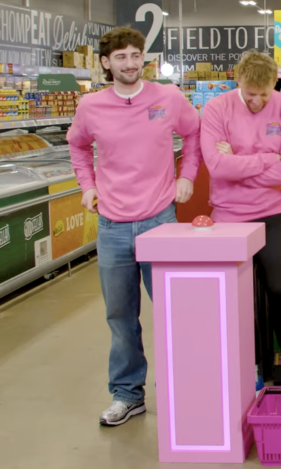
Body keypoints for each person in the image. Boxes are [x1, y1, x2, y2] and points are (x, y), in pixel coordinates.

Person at [67, 26, 201, 427]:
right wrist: (88, 186)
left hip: (160, 221)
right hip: (111, 225)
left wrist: (187, 175)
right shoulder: (90, 107)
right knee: (121, 316)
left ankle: (189, 389)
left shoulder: (168, 98)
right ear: (106, 63)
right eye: (121, 56)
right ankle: (127, 395)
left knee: (175, 312)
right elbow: (76, 146)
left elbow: (194, 134)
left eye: (136, 55)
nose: (130, 63)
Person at [199, 50, 281, 387]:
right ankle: (247, 365)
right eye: (250, 94)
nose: (256, 101)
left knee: (280, 288)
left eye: (264, 94)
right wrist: (268, 159)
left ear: (275, 84)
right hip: (227, 215)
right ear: (237, 80)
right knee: (235, 295)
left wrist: (237, 162)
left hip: (273, 213)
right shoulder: (216, 108)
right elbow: (217, 168)